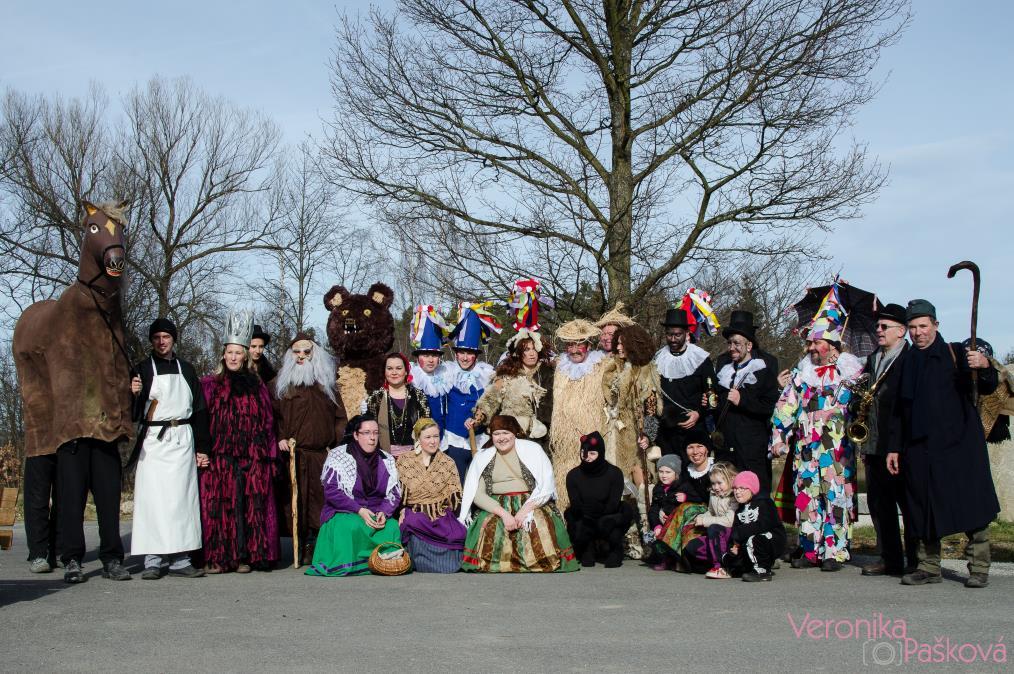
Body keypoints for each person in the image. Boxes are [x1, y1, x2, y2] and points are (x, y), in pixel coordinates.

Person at [888, 300, 1000, 589]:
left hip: (960, 444)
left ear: (935, 325)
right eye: (912, 327)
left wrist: (984, 366)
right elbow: (899, 410)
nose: (918, 333)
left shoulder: (957, 352)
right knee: (921, 507)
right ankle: (928, 567)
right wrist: (894, 447)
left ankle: (979, 567)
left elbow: (988, 385)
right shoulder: (906, 361)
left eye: (923, 326)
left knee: (971, 504)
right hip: (919, 448)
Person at [769, 289, 863, 572]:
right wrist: (779, 437)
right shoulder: (801, 376)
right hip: (807, 449)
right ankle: (811, 549)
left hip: (838, 450)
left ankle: (835, 551)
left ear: (833, 345)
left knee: (835, 498)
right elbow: (785, 408)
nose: (810, 348)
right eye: (809, 343)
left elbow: (862, 410)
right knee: (807, 498)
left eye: (816, 343)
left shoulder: (851, 375)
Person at [129, 318, 211, 580]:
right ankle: (152, 560)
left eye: (166, 336)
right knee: (153, 501)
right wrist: (134, 393)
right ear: (152, 341)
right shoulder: (142, 369)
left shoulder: (186, 369)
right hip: (153, 440)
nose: (162, 342)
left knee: (180, 501)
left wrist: (202, 447)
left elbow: (199, 410)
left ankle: (180, 559)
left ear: (174, 339)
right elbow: (133, 414)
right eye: (157, 337)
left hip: (182, 439)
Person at [199, 310, 279, 574]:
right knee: (220, 507)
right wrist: (203, 451)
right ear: (224, 354)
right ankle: (219, 557)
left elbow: (267, 422)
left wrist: (266, 456)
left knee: (249, 507)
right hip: (220, 457)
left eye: (238, 353)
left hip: (251, 456)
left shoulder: (256, 386)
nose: (234, 357)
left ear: (245, 355)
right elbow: (200, 422)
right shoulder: (210, 385)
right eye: (229, 352)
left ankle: (245, 556)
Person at [459, 415, 578, 573]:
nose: (501, 438)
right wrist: (504, 514)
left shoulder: (532, 450)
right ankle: (498, 563)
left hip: (531, 500)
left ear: (514, 433)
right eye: (497, 434)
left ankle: (541, 562)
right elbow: (477, 494)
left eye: (506, 433)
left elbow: (546, 484)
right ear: (491, 436)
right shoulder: (483, 457)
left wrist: (525, 510)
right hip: (496, 504)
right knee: (492, 526)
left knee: (539, 524)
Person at [272, 332, 349, 565]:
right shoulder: (280, 387)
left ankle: (314, 545)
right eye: (296, 352)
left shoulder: (327, 385)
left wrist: (334, 445)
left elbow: (340, 418)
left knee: (319, 502)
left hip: (320, 455)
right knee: (295, 504)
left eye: (307, 351)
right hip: (293, 456)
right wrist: (280, 437)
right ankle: (297, 544)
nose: (301, 356)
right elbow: (271, 419)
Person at [857, 303, 917, 577]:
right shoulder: (872, 359)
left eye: (884, 327)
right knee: (879, 504)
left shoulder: (911, 358)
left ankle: (916, 560)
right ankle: (889, 557)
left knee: (908, 502)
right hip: (874, 442)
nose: (878, 331)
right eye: (877, 326)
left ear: (901, 331)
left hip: (902, 442)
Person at [306, 414, 403, 577]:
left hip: (374, 511)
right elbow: (332, 492)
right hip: (345, 511)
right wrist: (359, 510)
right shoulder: (339, 456)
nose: (372, 438)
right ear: (356, 435)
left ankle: (383, 561)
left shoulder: (386, 459)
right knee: (350, 526)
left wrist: (383, 512)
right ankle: (352, 563)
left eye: (375, 433)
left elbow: (394, 492)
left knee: (391, 527)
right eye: (367, 433)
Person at [712, 310, 779, 493]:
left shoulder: (763, 370)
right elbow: (717, 405)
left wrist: (743, 400)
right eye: (730, 343)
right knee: (726, 489)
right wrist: (710, 404)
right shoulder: (723, 370)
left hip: (751, 446)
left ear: (749, 346)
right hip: (726, 444)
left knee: (754, 489)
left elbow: (769, 406)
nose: (732, 347)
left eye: (737, 343)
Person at [549, 319, 609, 510]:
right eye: (570, 345)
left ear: (588, 346)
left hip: (590, 436)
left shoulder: (601, 366)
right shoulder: (559, 367)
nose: (574, 350)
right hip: (564, 441)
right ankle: (565, 523)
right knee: (565, 480)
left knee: (591, 481)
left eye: (579, 345)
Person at [396, 419, 467, 573]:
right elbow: (397, 492)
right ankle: (419, 562)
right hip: (415, 511)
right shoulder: (405, 461)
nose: (433, 441)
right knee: (415, 521)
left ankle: (446, 564)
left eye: (436, 436)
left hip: (439, 511)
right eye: (428, 437)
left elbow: (455, 497)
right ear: (418, 438)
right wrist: (402, 509)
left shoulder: (447, 462)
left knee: (455, 531)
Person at [470, 328, 554, 449]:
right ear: (519, 353)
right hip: (511, 437)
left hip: (541, 438)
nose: (532, 353)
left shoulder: (548, 374)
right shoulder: (507, 376)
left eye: (534, 349)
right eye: (527, 349)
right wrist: (477, 419)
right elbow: (489, 400)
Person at [654, 307, 716, 464]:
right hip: (668, 431)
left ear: (687, 334)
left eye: (677, 335)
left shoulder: (700, 358)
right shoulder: (658, 359)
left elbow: (712, 393)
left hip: (694, 428)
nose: (673, 339)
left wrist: (699, 413)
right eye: (669, 335)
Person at [443, 302, 498, 480]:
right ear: (456, 353)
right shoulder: (447, 373)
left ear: (476, 355)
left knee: (480, 484)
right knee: (457, 484)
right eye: (462, 353)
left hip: (480, 440)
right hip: (454, 439)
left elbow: (492, 404)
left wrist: (480, 420)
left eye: (470, 353)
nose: (465, 357)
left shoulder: (487, 374)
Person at [563, 431, 634, 568]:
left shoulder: (614, 473)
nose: (587, 457)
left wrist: (600, 512)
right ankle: (586, 548)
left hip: (607, 513)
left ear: (600, 453)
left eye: (592, 453)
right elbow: (576, 502)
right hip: (585, 514)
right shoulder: (573, 475)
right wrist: (586, 513)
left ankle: (615, 549)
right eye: (584, 452)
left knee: (620, 514)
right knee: (573, 516)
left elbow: (613, 502)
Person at [654, 432, 715, 569]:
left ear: (707, 449)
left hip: (713, 511)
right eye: (690, 447)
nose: (695, 451)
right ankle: (674, 556)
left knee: (685, 508)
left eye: (700, 446)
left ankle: (668, 550)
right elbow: (673, 494)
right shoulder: (686, 472)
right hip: (689, 515)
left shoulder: (715, 468)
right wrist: (664, 511)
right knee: (683, 514)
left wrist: (688, 498)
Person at [363, 353, 432, 458]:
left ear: (405, 372)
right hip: (383, 457)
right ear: (384, 372)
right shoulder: (376, 398)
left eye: (399, 368)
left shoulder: (419, 396)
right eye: (389, 368)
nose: (394, 372)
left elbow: (427, 427)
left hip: (414, 457)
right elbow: (368, 431)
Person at [721, 470, 786, 582]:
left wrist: (740, 532)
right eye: (735, 488)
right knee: (730, 558)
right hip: (751, 542)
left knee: (755, 539)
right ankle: (752, 566)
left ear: (752, 489)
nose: (737, 492)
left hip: (772, 539)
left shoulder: (765, 503)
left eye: (742, 488)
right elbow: (736, 530)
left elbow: (764, 524)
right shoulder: (739, 510)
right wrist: (734, 546)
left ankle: (763, 571)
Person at [684, 461, 739, 577]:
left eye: (719, 483)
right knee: (692, 546)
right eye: (713, 483)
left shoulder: (734, 496)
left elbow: (729, 521)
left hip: (731, 535)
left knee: (714, 528)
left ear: (731, 479)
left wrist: (705, 521)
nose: (716, 487)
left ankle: (721, 567)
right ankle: (708, 563)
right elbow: (711, 511)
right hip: (716, 535)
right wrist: (701, 517)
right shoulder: (713, 494)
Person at [408, 305, 452, 435]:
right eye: (426, 356)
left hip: (442, 437)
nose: (431, 360)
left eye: (434, 356)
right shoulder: (411, 378)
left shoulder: (446, 374)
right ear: (417, 357)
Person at [647, 453, 682, 571]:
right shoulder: (658, 488)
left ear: (676, 473)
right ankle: (663, 559)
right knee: (655, 535)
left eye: (668, 472)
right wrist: (656, 524)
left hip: (675, 523)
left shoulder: (680, 487)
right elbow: (653, 508)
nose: (663, 475)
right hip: (662, 522)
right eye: (661, 472)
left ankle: (676, 559)